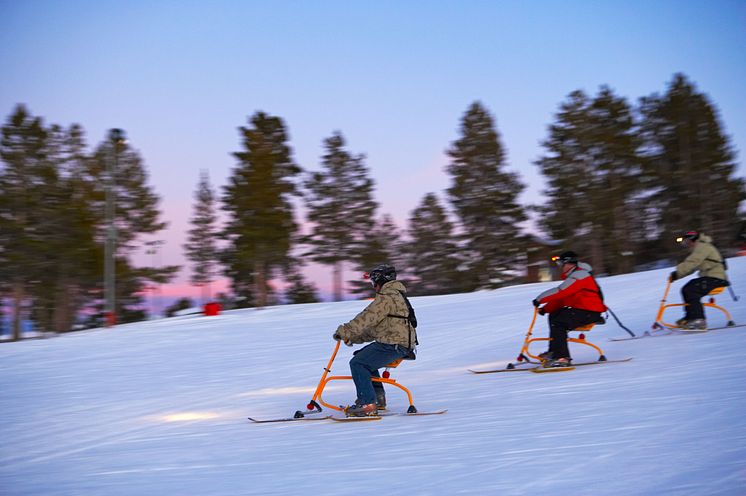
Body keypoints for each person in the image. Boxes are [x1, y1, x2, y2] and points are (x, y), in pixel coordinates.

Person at [333, 264, 417, 417]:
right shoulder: (396, 296)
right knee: (364, 358)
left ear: (380, 281)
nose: (374, 286)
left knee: (358, 363)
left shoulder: (387, 298)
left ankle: (367, 404)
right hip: (397, 343)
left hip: (394, 345)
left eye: (374, 282)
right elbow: (377, 329)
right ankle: (378, 399)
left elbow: (367, 317)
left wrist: (345, 330)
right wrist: (352, 337)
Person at [532, 251, 606, 367]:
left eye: (561, 264)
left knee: (559, 322)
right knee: (555, 315)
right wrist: (545, 309)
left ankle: (562, 358)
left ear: (568, 264)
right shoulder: (575, 276)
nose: (561, 267)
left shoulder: (579, 275)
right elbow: (562, 299)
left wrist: (540, 299)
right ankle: (554, 352)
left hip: (589, 312)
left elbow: (561, 291)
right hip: (584, 310)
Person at [670, 231, 729, 330]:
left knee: (692, 289)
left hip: (716, 278)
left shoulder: (702, 247)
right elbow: (692, 268)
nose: (687, 245)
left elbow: (693, 262)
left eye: (687, 242)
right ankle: (690, 318)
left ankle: (699, 320)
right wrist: (677, 275)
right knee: (687, 288)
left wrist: (678, 272)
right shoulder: (700, 247)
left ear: (693, 240)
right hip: (710, 278)